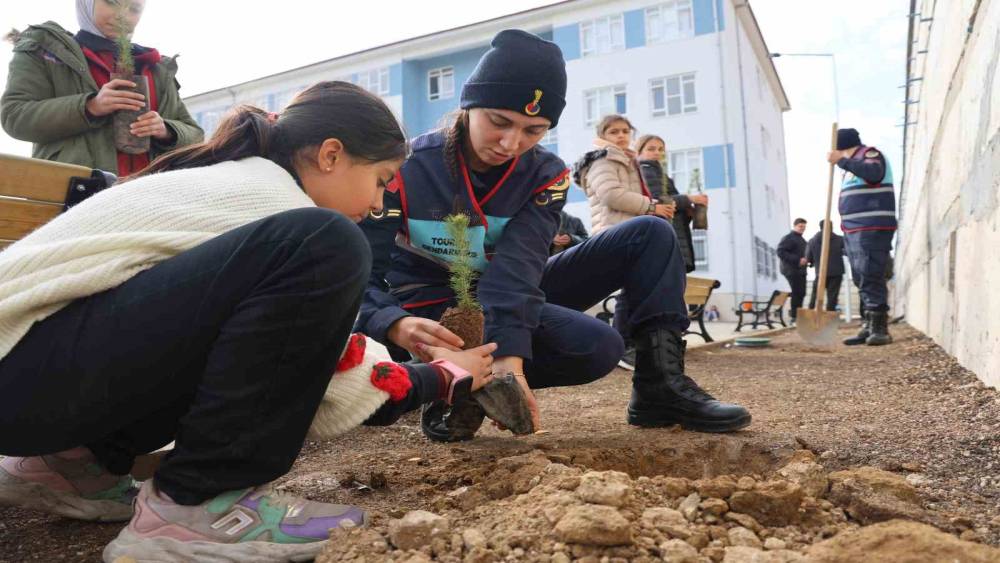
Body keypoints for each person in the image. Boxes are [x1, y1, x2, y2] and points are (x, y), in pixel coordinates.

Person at [0, 82, 498, 563]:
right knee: (331, 242)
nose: (377, 204)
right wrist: (444, 375)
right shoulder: (272, 203)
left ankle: (67, 465)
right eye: (381, 180)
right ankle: (197, 503)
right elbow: (326, 370)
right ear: (330, 155)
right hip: (19, 384)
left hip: (25, 379)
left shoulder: (236, 183)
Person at [357, 30, 750, 443]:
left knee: (647, 237)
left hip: (507, 291)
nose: (511, 143)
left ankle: (659, 389)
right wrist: (395, 324)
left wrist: (511, 365)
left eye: (534, 130)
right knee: (591, 343)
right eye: (499, 122)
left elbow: (518, 268)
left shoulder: (546, 175)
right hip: (432, 310)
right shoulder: (406, 168)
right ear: (469, 105)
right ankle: (454, 385)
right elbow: (359, 272)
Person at [1, 0, 203, 176]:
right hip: (75, 200)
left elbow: (195, 134)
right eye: (112, 2)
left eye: (134, 8)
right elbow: (14, 116)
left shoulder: (155, 67)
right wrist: (91, 106)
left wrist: (166, 130)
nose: (122, 15)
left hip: (150, 201)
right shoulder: (44, 51)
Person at [573, 117, 676, 370]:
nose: (621, 135)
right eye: (614, 131)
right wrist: (651, 206)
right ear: (602, 134)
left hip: (628, 229)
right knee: (629, 291)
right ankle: (622, 345)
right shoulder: (602, 158)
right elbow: (611, 195)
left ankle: (628, 345)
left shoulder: (626, 159)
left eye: (625, 131)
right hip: (614, 230)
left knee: (634, 288)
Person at [828, 127, 896, 346]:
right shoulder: (851, 167)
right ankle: (869, 323)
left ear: (842, 147)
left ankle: (880, 328)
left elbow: (874, 174)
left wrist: (842, 161)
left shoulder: (869, 155)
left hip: (871, 227)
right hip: (854, 230)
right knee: (860, 277)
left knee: (870, 273)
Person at [634, 134, 708, 273]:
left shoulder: (659, 173)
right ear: (639, 151)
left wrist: (687, 210)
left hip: (673, 232)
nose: (657, 152)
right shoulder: (645, 170)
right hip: (664, 235)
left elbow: (670, 205)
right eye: (651, 149)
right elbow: (658, 201)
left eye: (661, 149)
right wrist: (689, 199)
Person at [806, 220, 845, 311]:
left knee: (815, 294)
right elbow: (847, 252)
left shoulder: (812, 241)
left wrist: (812, 263)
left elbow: (808, 257)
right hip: (836, 272)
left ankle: (811, 312)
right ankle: (829, 315)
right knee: (832, 296)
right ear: (831, 227)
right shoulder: (840, 240)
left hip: (820, 272)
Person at [777, 218, 808, 324]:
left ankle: (798, 316)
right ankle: (795, 317)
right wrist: (798, 259)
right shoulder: (789, 238)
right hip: (791, 270)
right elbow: (780, 251)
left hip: (801, 271)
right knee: (797, 292)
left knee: (802, 293)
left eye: (804, 227)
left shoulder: (802, 240)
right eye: (800, 226)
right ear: (794, 226)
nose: (802, 229)